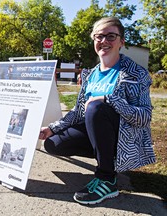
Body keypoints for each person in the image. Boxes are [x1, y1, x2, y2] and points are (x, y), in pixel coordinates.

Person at [39, 17, 156, 205]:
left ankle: (107, 179)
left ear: (121, 41)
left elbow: (144, 117)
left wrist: (109, 100)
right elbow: (78, 112)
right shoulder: (91, 74)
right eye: (99, 36)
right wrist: (52, 128)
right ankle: (107, 158)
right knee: (53, 144)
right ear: (94, 40)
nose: (104, 41)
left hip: (124, 137)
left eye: (111, 36)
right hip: (98, 132)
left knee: (96, 107)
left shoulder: (136, 73)